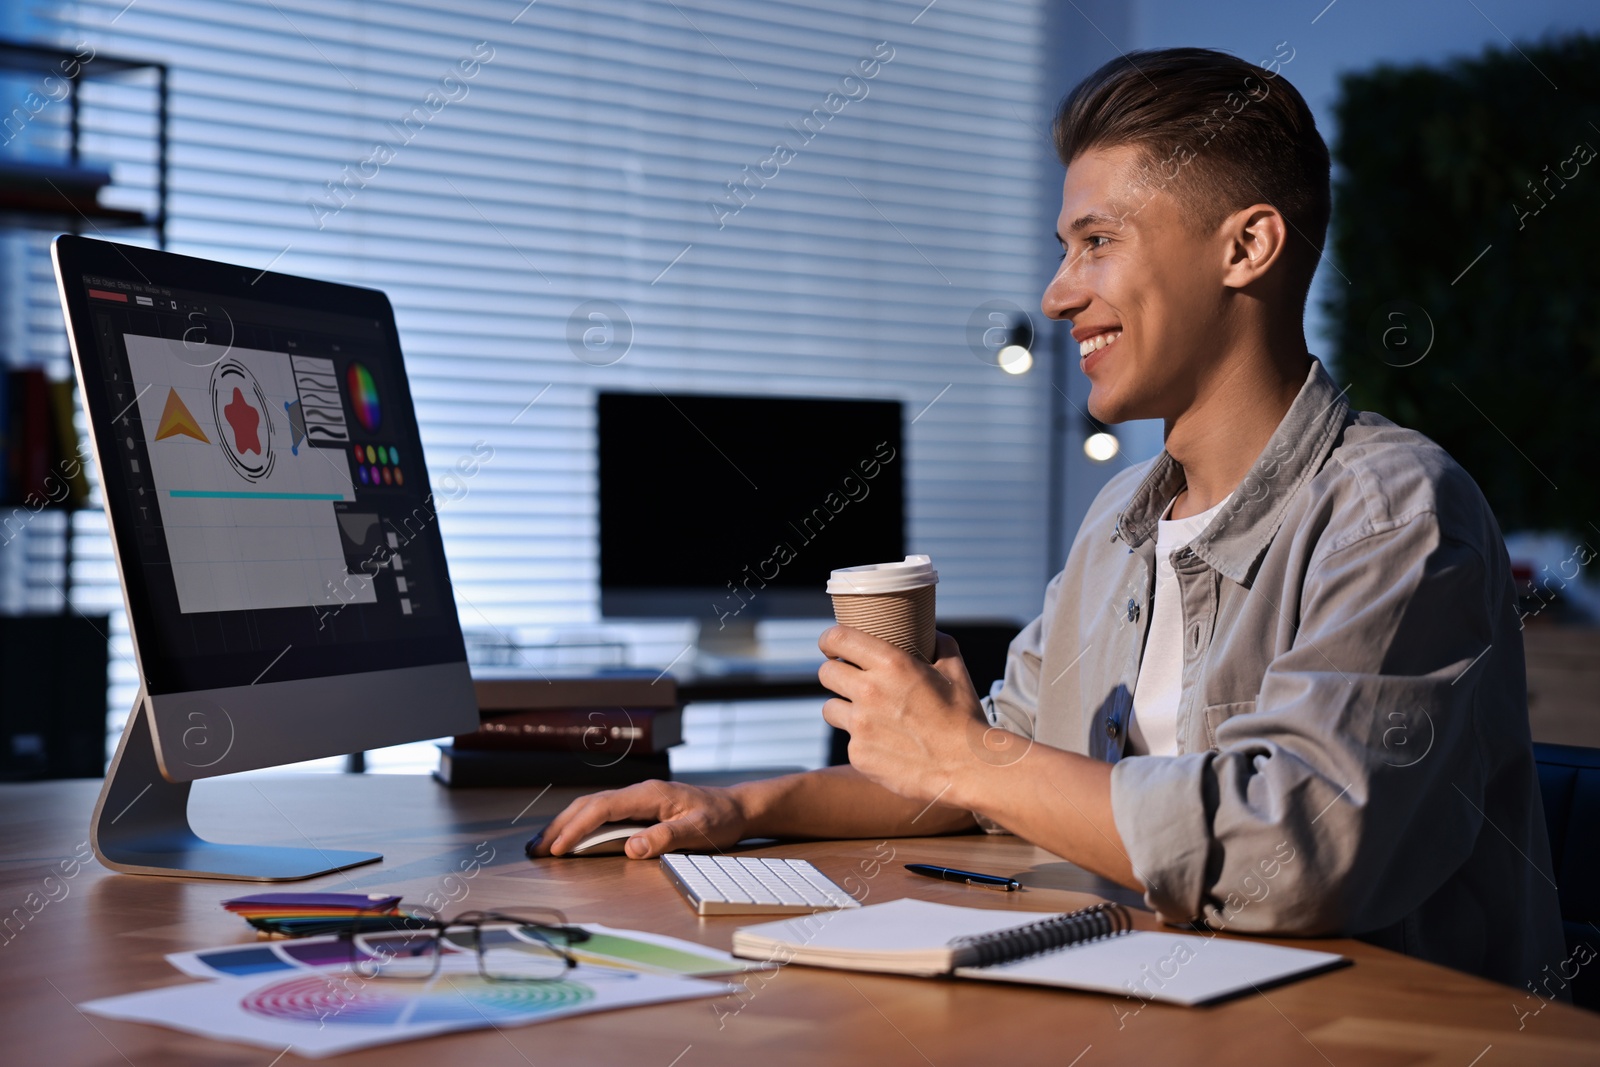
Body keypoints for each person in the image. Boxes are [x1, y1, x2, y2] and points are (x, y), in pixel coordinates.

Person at [532, 47, 1564, 990]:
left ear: (1245, 247)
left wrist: (964, 755)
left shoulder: (1393, 513)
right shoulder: (1121, 517)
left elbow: (1293, 850)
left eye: (1096, 241)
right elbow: (993, 764)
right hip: (1143, 998)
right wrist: (741, 809)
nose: (1057, 290)